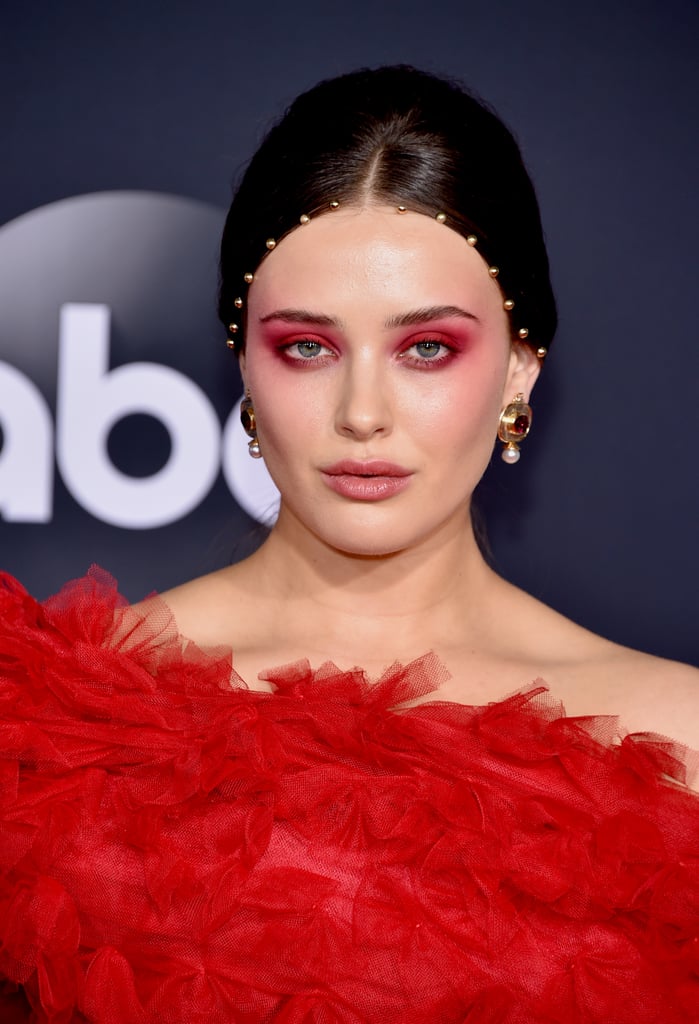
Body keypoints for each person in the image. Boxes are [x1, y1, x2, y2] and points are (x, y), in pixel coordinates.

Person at [1, 66, 697, 1023]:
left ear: (520, 370)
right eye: (305, 348)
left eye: (425, 349)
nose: (361, 414)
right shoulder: (55, 719)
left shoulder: (682, 739)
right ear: (242, 360)